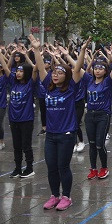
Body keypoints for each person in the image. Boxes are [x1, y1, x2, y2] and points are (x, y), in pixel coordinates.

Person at [30, 34, 82, 211]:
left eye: (60, 73)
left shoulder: (71, 89)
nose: (55, 75)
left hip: (67, 134)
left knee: (62, 166)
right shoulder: (48, 87)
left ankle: (66, 196)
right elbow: (41, 70)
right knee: (51, 166)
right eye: (54, 72)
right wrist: (36, 49)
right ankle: (54, 195)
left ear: (66, 76)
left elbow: (77, 68)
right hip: (51, 134)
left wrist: (80, 52)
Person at [75, 44, 112, 180]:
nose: (97, 71)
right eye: (95, 68)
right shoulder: (89, 80)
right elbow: (77, 67)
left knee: (99, 143)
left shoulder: (107, 82)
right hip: (90, 114)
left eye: (101, 68)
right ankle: (93, 169)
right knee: (91, 143)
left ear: (105, 71)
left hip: (103, 115)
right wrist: (82, 51)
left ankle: (104, 167)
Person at [0, 47, 37, 178]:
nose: (18, 73)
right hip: (14, 119)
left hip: (26, 119)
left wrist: (29, 56)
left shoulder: (30, 84)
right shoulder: (13, 83)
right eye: (17, 71)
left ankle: (30, 168)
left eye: (21, 71)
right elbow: (6, 68)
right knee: (16, 145)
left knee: (26, 145)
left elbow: (36, 69)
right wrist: (2, 55)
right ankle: (17, 168)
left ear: (26, 72)